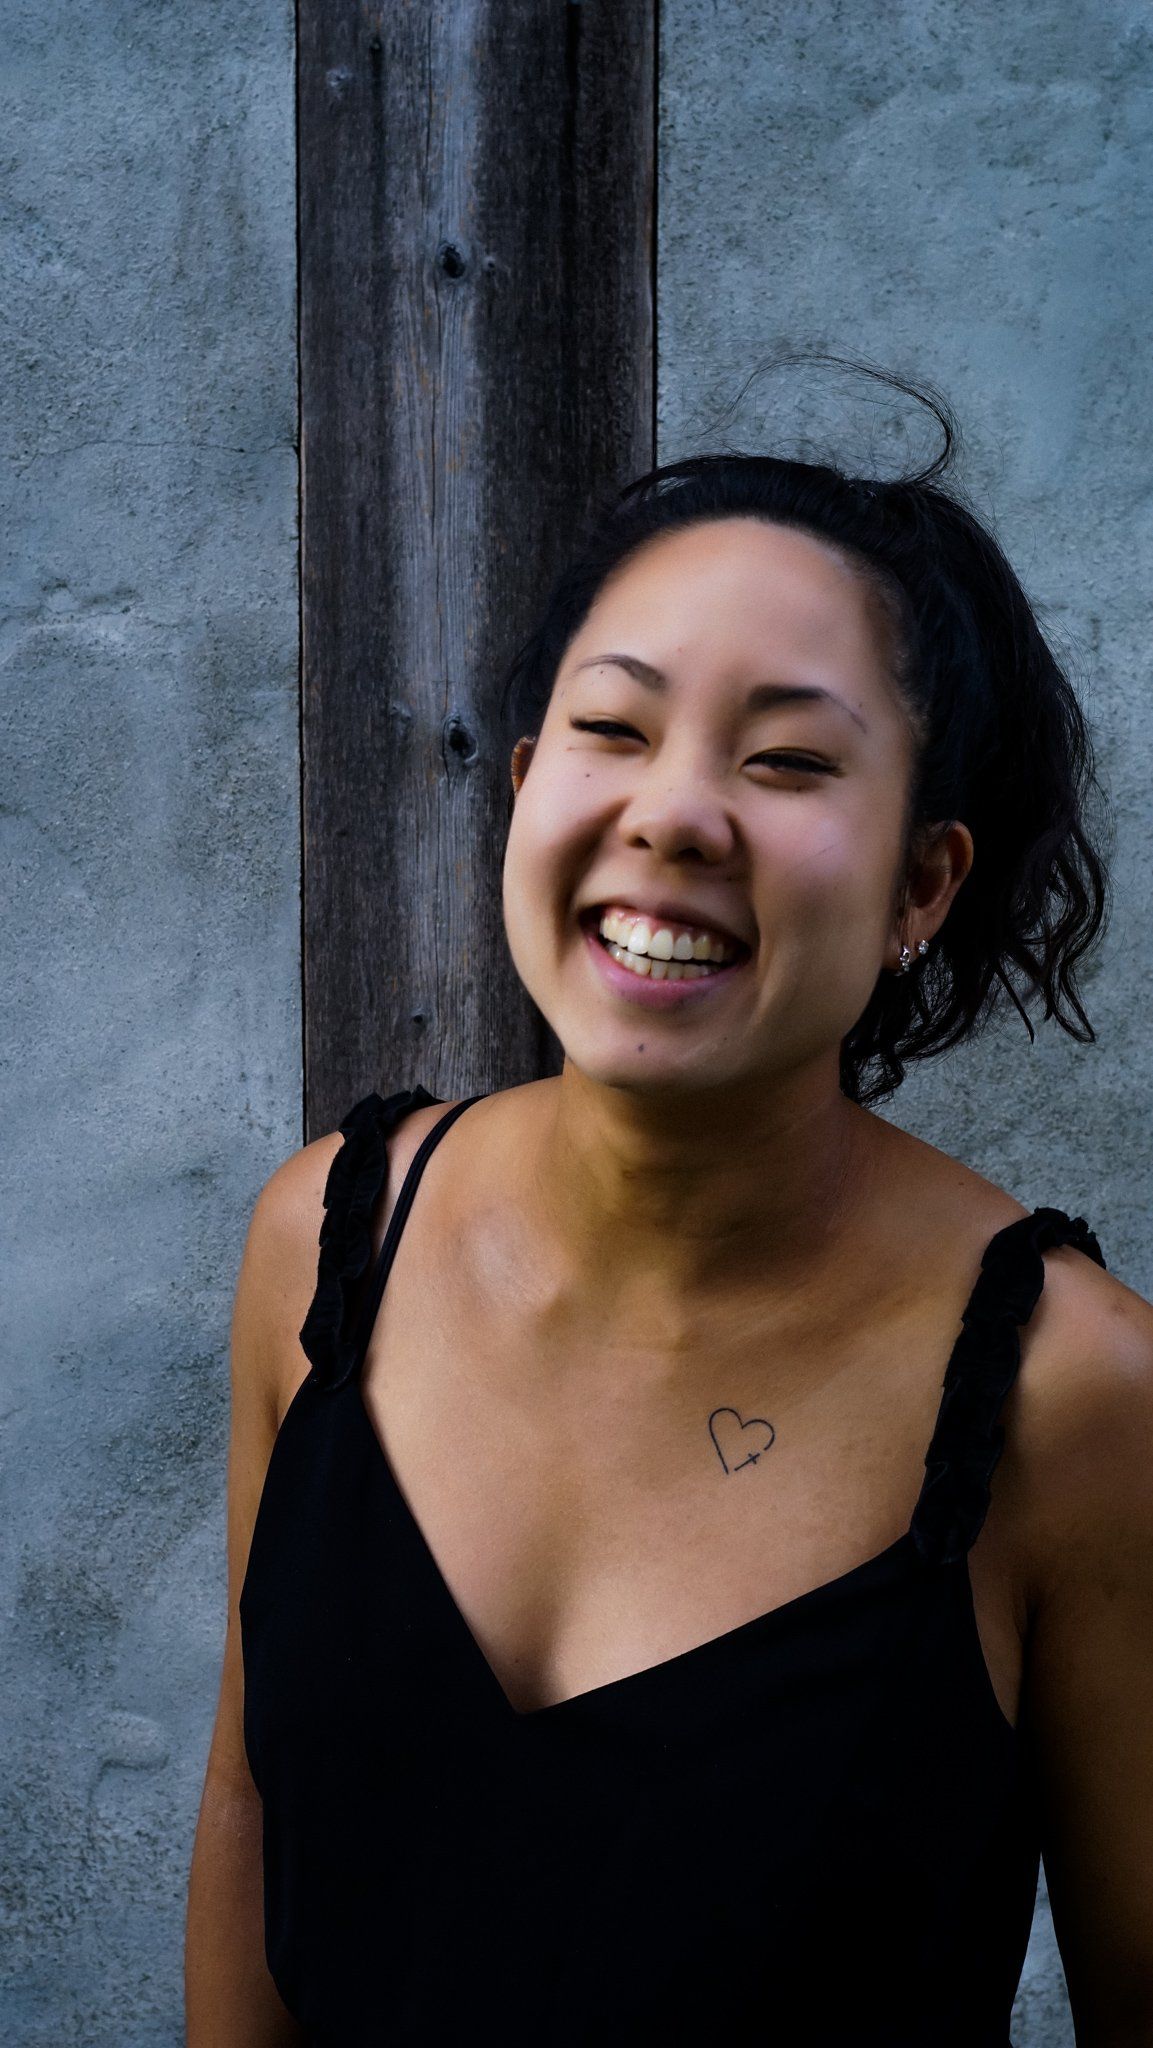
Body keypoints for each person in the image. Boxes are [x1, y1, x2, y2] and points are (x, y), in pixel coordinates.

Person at [186, 398, 1153, 2045]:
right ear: (522, 786)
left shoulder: (1074, 1399)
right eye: (612, 729)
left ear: (922, 884)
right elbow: (250, 1822)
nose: (674, 814)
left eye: (785, 761)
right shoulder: (329, 1241)